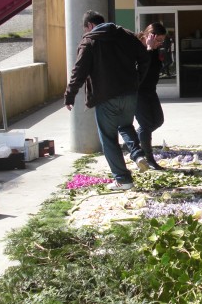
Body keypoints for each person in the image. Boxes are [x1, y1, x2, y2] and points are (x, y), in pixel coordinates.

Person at [64, 10, 151, 190]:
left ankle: (123, 180)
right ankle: (138, 154)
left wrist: (69, 95)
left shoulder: (89, 41)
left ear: (90, 25)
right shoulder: (126, 35)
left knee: (108, 138)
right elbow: (145, 57)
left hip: (106, 97)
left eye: (85, 29)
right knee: (125, 126)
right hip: (129, 93)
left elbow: (78, 71)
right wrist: (137, 80)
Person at [135, 22, 168, 170]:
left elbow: (155, 67)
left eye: (162, 41)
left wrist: (153, 50)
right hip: (138, 91)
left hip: (150, 90)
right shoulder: (138, 47)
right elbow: (140, 69)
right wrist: (148, 49)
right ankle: (149, 159)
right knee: (146, 124)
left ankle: (136, 139)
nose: (160, 43)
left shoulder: (154, 50)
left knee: (158, 120)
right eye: (158, 40)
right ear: (149, 36)